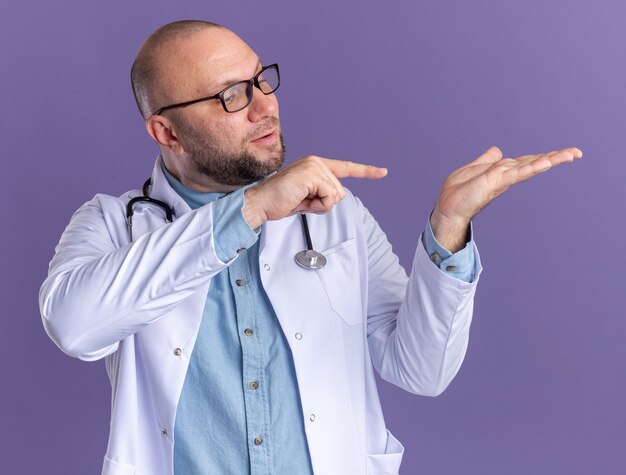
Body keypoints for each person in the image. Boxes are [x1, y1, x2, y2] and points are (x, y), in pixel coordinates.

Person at [39, 20, 581, 475]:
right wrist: (248, 210)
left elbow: (419, 367)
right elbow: (74, 326)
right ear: (167, 133)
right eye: (231, 96)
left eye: (259, 81)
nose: (263, 108)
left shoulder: (335, 213)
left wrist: (449, 227)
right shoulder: (112, 224)